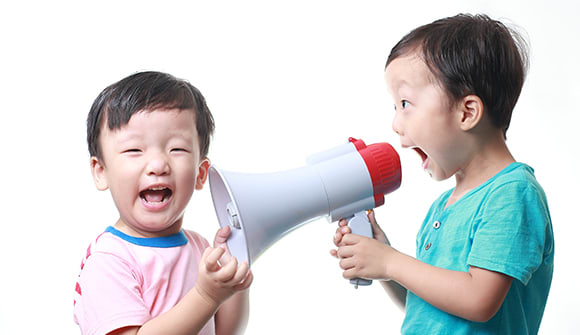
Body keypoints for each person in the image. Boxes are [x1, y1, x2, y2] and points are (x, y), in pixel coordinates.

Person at [331, 14, 554, 334]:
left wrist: (391, 261)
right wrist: (385, 268)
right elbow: (430, 305)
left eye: (405, 103)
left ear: (467, 112)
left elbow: (478, 299)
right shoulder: (442, 207)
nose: (395, 123)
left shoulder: (512, 194)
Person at [74, 71, 253, 335]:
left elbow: (226, 330)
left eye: (177, 149)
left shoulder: (200, 248)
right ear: (101, 171)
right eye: (134, 150)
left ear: (200, 173)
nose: (158, 164)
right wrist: (206, 295)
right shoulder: (109, 260)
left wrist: (234, 279)